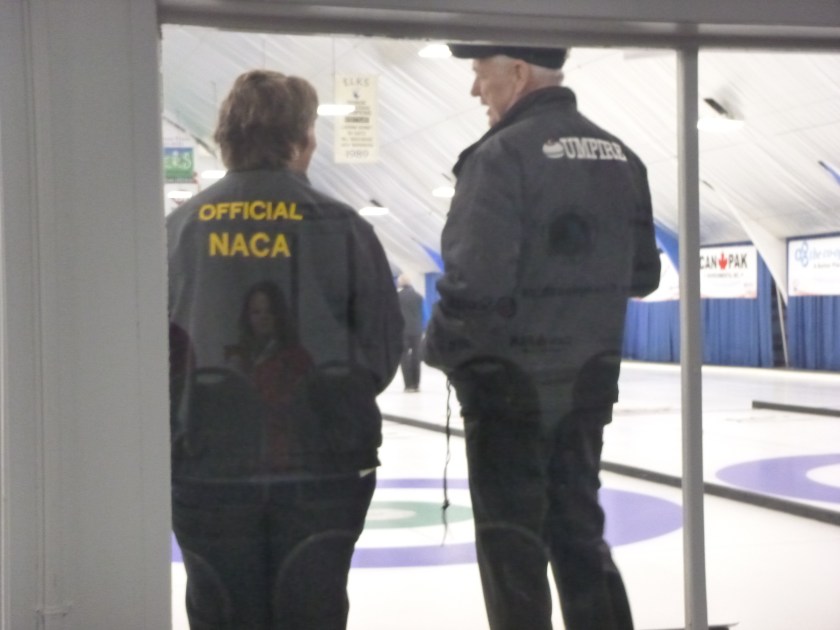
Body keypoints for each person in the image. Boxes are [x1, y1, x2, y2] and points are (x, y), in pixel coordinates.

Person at [423, 45, 661, 630]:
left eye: (479, 74)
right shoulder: (622, 157)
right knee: (579, 531)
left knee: (512, 548)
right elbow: (644, 274)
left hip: (509, 392)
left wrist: (439, 349)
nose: (475, 91)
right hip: (586, 386)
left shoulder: (500, 156)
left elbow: (475, 283)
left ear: (518, 72)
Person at [167, 69, 402, 630]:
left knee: (222, 609)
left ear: (225, 138)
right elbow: (381, 350)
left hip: (207, 465)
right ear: (302, 139)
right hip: (322, 464)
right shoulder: (343, 227)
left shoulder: (177, 231)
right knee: (313, 606)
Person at [396, 273, 424, 392]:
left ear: (400, 283)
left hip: (402, 330)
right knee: (416, 357)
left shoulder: (396, 297)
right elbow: (424, 313)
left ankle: (408, 385)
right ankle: (416, 384)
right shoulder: (418, 296)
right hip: (416, 330)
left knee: (404, 357)